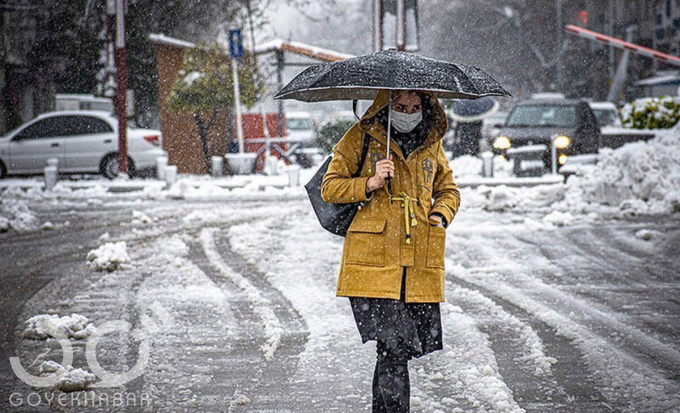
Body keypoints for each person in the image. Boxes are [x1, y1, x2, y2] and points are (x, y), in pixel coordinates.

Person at [321, 89, 460, 412]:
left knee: (394, 349)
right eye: (399, 106)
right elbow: (329, 187)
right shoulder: (361, 137)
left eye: (414, 107)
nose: (408, 113)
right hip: (373, 263)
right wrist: (369, 183)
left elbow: (448, 191)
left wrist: (440, 215)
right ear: (386, 106)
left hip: (417, 266)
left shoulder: (431, 143)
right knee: (394, 346)